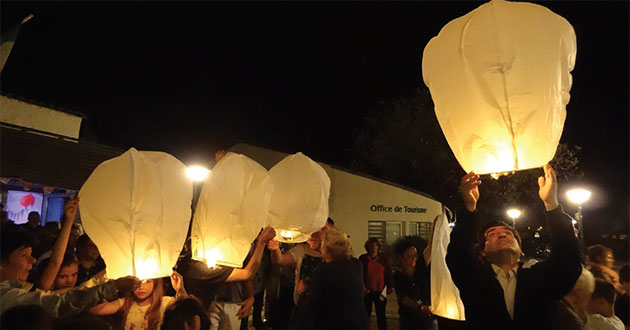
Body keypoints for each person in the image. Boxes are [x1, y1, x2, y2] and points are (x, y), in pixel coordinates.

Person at [447, 164, 582, 330]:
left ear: (521, 249)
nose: (502, 234)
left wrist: (552, 204)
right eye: (492, 234)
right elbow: (457, 254)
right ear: (483, 250)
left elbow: (568, 261)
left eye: (509, 234)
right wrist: (468, 208)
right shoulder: (473, 278)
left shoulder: (540, 278)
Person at [0, 227, 141, 318]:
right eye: (24, 256)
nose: (33, 261)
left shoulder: (20, 287)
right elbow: (59, 304)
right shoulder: (6, 296)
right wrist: (112, 287)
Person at [289, 228, 366, 330]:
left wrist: (302, 291)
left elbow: (311, 306)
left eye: (323, 245)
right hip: (356, 323)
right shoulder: (356, 264)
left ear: (327, 249)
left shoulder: (324, 270)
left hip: (334, 324)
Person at [267, 219, 334, 305]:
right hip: (301, 305)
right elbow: (280, 261)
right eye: (312, 231)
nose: (313, 235)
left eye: (320, 231)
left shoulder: (335, 254)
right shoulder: (302, 249)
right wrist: (275, 248)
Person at [90, 272, 186, 330]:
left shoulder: (164, 303)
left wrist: (180, 290)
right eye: (136, 283)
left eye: (147, 281)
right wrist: (109, 286)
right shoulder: (126, 302)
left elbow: (189, 309)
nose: (141, 287)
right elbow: (95, 310)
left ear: (155, 283)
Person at [393, 240, 433, 330]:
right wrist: (419, 307)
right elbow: (404, 298)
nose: (413, 258)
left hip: (425, 319)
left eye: (415, 255)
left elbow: (430, 249)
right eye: (409, 256)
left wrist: (436, 229)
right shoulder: (399, 276)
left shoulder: (420, 271)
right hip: (409, 320)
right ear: (401, 257)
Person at [359, 238, 393, 330]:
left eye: (376, 245)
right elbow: (360, 273)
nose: (374, 248)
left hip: (381, 291)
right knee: (366, 315)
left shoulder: (383, 258)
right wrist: (363, 287)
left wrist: (389, 286)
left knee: (381, 314)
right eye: (372, 245)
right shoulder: (363, 259)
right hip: (368, 291)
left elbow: (388, 272)